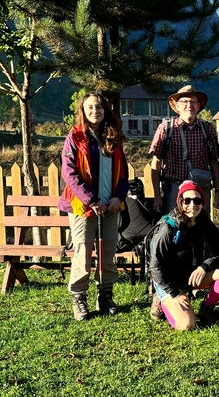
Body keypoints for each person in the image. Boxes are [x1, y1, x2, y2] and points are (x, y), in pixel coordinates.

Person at [59, 93, 129, 321]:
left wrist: (118, 197)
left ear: (105, 110)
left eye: (99, 107)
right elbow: (69, 173)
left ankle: (105, 296)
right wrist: (91, 199)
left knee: (108, 253)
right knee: (83, 254)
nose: (95, 111)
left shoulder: (113, 137)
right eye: (90, 107)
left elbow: (123, 172)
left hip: (110, 206)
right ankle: (79, 299)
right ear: (83, 110)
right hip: (84, 206)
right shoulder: (75, 136)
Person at [149, 181, 219, 331]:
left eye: (197, 200)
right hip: (170, 282)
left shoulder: (205, 223)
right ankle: (160, 299)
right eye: (187, 200)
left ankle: (207, 308)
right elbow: (155, 267)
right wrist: (175, 294)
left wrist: (205, 266)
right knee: (187, 325)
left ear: (202, 203)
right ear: (179, 202)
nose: (192, 205)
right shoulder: (167, 228)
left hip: (193, 276)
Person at [149, 85, 219, 214]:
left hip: (201, 189)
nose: (189, 105)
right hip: (174, 188)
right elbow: (156, 162)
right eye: (184, 101)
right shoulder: (166, 129)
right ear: (177, 106)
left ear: (198, 106)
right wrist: (157, 195)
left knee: (200, 229)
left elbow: (214, 161)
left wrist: (217, 191)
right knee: (173, 227)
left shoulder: (208, 129)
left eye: (193, 101)